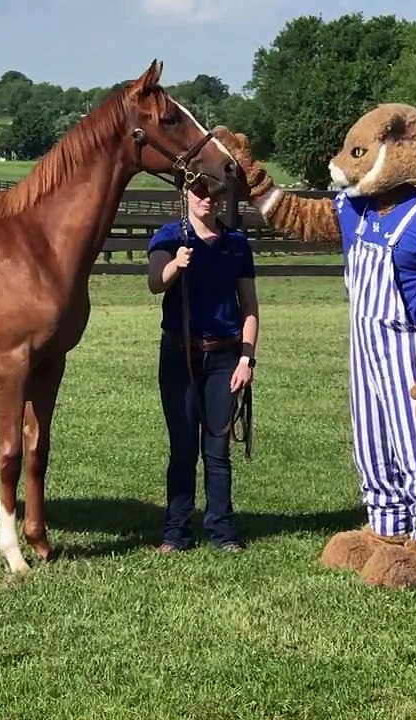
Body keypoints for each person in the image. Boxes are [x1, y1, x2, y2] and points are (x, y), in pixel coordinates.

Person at [146, 180, 259, 554]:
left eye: (213, 192)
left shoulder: (236, 245)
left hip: (225, 356)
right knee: (182, 448)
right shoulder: (169, 237)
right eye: (198, 191)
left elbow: (249, 307)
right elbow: (154, 283)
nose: (206, 198)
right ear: (185, 195)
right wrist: (176, 265)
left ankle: (222, 531)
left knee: (218, 448)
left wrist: (246, 358)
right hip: (181, 354)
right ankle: (175, 531)